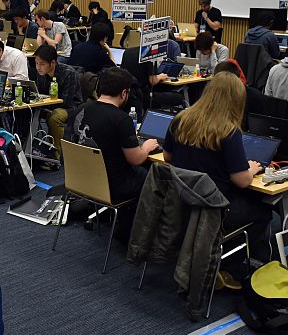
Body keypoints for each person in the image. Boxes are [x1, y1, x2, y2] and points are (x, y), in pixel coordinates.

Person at [163, 72, 270, 247]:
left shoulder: (181, 119)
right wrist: (251, 169)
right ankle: (230, 258)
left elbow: (167, 156)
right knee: (264, 212)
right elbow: (242, 181)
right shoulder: (229, 131)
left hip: (181, 201)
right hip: (215, 206)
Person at [70, 67, 156, 213]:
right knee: (154, 175)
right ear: (124, 93)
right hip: (113, 185)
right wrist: (146, 147)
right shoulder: (121, 119)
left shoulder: (80, 109)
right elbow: (136, 159)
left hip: (81, 179)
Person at [34, 44, 83, 159]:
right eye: (36, 63)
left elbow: (66, 101)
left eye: (42, 64)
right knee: (28, 113)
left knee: (55, 117)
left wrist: (44, 106)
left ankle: (56, 155)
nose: (38, 67)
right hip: (49, 105)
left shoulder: (69, 73)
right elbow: (40, 93)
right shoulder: (41, 73)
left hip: (71, 107)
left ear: (53, 63)